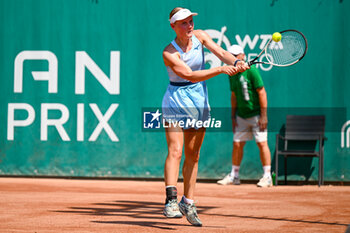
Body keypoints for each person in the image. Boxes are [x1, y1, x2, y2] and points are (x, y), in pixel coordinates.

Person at [162, 8, 248, 226]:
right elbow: (189, 76)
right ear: (173, 26)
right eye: (183, 23)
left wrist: (236, 62)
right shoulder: (169, 53)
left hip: (198, 101)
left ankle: (188, 202)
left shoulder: (200, 36)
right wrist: (220, 70)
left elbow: (221, 53)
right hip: (175, 100)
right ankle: (171, 200)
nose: (189, 26)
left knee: (194, 154)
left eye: (190, 22)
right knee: (176, 150)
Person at [217, 45, 272, 188]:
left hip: (256, 115)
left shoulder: (252, 71)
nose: (233, 59)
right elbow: (234, 95)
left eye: (235, 56)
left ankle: (267, 176)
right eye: (231, 56)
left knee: (262, 143)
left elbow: (262, 92)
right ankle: (234, 175)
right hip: (241, 116)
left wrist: (263, 116)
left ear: (242, 55)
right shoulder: (231, 73)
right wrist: (232, 116)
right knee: (237, 144)